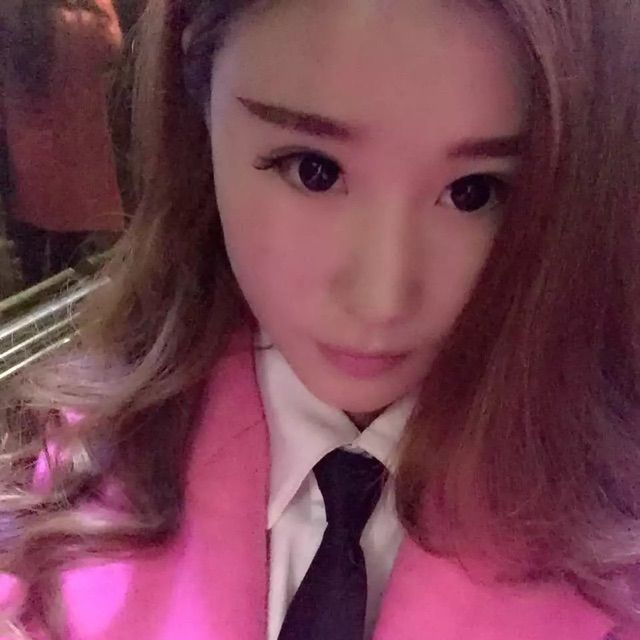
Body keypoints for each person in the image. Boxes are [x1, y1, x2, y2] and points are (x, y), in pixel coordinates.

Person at [0, 0, 639, 638]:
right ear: (198, 101)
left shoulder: (615, 533)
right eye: (315, 171)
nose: (381, 301)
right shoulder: (57, 491)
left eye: (474, 192)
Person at [0, 0, 124, 286]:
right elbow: (112, 46)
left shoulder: (9, 17)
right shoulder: (82, 26)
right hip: (73, 166)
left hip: (23, 164)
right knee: (68, 256)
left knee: (29, 252)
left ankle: (33, 290)